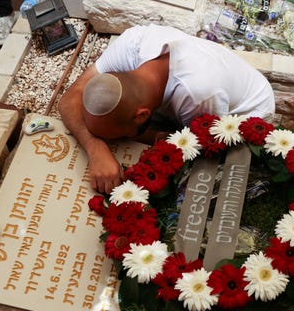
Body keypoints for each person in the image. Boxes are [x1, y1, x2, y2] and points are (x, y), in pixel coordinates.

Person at [58, 24, 276, 194]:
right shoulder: (131, 45)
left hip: (246, 113)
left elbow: (205, 151)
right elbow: (68, 100)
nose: (112, 143)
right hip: (206, 92)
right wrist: (96, 149)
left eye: (117, 138)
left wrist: (162, 141)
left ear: (142, 115)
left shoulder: (197, 96)